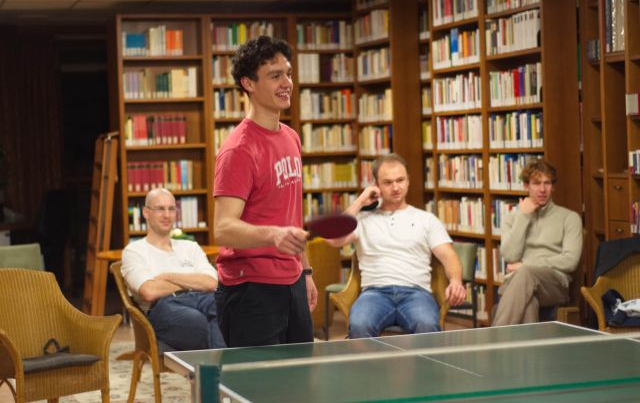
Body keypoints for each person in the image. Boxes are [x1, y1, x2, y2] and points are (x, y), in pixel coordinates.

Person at [213, 35, 317, 347]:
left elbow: (291, 217)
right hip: (250, 289)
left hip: (292, 279)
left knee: (301, 373)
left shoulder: (291, 138)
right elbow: (223, 228)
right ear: (248, 84)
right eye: (274, 76)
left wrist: (306, 271)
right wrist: (273, 235)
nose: (287, 83)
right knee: (259, 379)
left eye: (288, 73)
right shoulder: (239, 150)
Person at [327, 154, 466, 338]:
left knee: (427, 324)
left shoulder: (426, 219)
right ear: (376, 186)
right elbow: (333, 238)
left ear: (408, 181)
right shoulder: (362, 220)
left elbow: (449, 257)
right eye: (388, 182)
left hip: (416, 293)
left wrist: (456, 281)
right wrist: (360, 202)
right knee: (359, 325)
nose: (395, 187)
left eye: (400, 180)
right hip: (374, 293)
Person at [121, 188, 225, 350]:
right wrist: (193, 281)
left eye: (171, 209)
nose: (167, 215)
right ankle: (219, 363)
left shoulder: (190, 247)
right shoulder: (134, 251)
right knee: (197, 322)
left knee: (225, 306)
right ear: (146, 212)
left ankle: (217, 364)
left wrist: (167, 276)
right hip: (164, 306)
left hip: (201, 298)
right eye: (160, 209)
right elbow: (149, 291)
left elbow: (212, 283)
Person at [492, 160, 583, 326]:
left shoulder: (570, 218)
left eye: (547, 183)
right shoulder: (512, 218)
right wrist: (524, 216)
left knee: (526, 273)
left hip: (554, 284)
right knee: (528, 303)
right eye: (536, 183)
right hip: (521, 284)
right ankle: (526, 345)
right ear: (526, 186)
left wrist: (526, 264)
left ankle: (495, 336)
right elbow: (510, 256)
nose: (542, 189)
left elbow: (570, 261)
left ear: (552, 187)